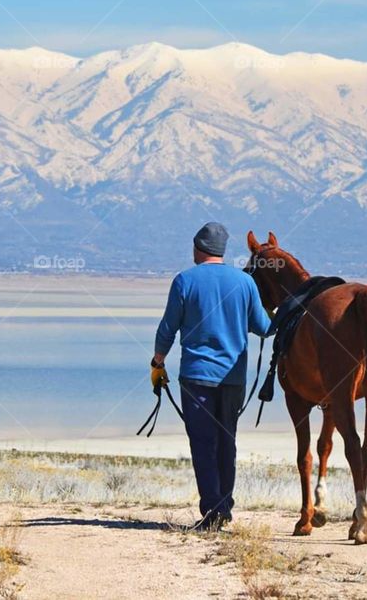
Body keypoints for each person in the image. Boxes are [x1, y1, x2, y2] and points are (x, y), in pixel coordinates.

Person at [152, 221, 272, 530]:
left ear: (198, 248)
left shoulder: (184, 281)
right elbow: (264, 327)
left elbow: (168, 328)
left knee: (203, 443)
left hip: (196, 377)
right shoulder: (244, 283)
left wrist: (158, 362)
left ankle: (213, 511)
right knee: (226, 440)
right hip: (233, 379)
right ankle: (224, 509)